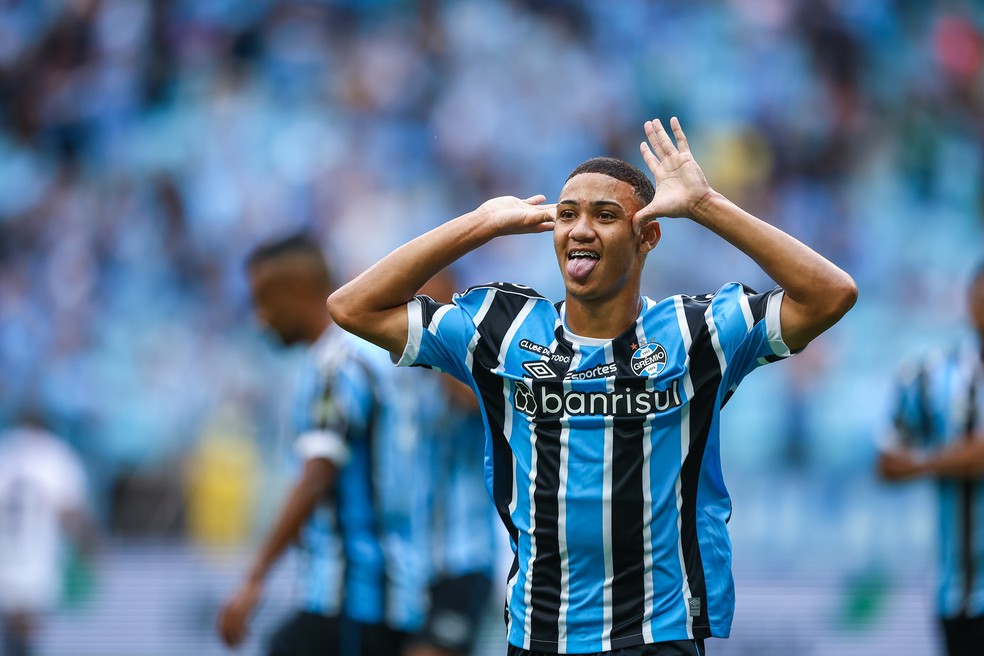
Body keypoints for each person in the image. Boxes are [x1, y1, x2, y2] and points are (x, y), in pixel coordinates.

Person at [327, 117, 857, 655]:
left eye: (605, 216)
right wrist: (479, 224)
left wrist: (704, 205)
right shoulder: (500, 330)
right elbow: (352, 307)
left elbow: (830, 294)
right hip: (538, 633)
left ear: (647, 234)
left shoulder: (700, 333)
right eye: (567, 215)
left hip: (657, 632)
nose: (581, 229)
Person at [217, 234, 425, 656]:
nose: (260, 319)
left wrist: (254, 578)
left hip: (350, 597)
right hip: (383, 594)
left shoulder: (336, 365)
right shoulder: (370, 354)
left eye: (264, 300)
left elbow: (317, 474)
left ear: (298, 290)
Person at [876, 263, 984, 656]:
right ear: (970, 299)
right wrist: (955, 459)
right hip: (959, 593)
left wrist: (937, 461)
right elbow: (887, 461)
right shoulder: (932, 376)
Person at [405, 269, 503, 656]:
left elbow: (475, 404)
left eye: (432, 305)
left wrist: (440, 349)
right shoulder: (412, 378)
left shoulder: (475, 362)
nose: (420, 316)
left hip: (468, 552)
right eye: (415, 305)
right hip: (420, 557)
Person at [0, 410, 96, 656]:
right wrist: (88, 547)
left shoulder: (5, 449)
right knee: (26, 627)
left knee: (13, 626)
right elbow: (69, 511)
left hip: (6, 555)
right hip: (38, 558)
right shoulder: (55, 455)